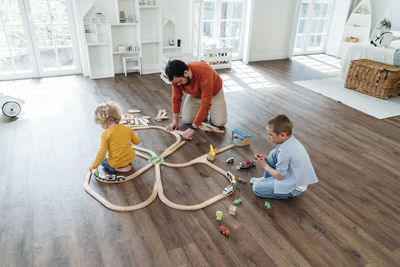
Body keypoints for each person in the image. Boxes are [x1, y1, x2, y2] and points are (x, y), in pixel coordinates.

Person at [250, 114, 318, 199]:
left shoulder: (285, 151)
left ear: (282, 135)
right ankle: (266, 181)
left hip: (295, 187)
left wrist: (265, 165)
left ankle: (273, 187)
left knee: (256, 188)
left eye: (270, 135)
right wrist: (266, 159)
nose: (268, 137)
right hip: (291, 175)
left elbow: (280, 176)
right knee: (273, 153)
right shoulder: (290, 140)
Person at [164, 60, 227, 139]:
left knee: (219, 123)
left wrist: (193, 128)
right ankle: (202, 113)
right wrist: (175, 122)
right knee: (187, 120)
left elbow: (206, 104)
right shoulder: (176, 79)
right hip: (195, 94)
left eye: (180, 81)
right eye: (177, 82)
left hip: (213, 93)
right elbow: (176, 98)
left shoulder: (205, 73)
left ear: (186, 73)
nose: (179, 84)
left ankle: (205, 112)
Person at [89, 103, 141, 174]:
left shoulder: (105, 134)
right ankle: (125, 165)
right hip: (129, 158)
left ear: (105, 121)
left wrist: (93, 166)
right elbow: (137, 141)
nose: (101, 126)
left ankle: (118, 170)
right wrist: (135, 135)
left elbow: (102, 152)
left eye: (101, 123)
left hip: (116, 163)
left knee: (103, 161)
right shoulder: (127, 128)